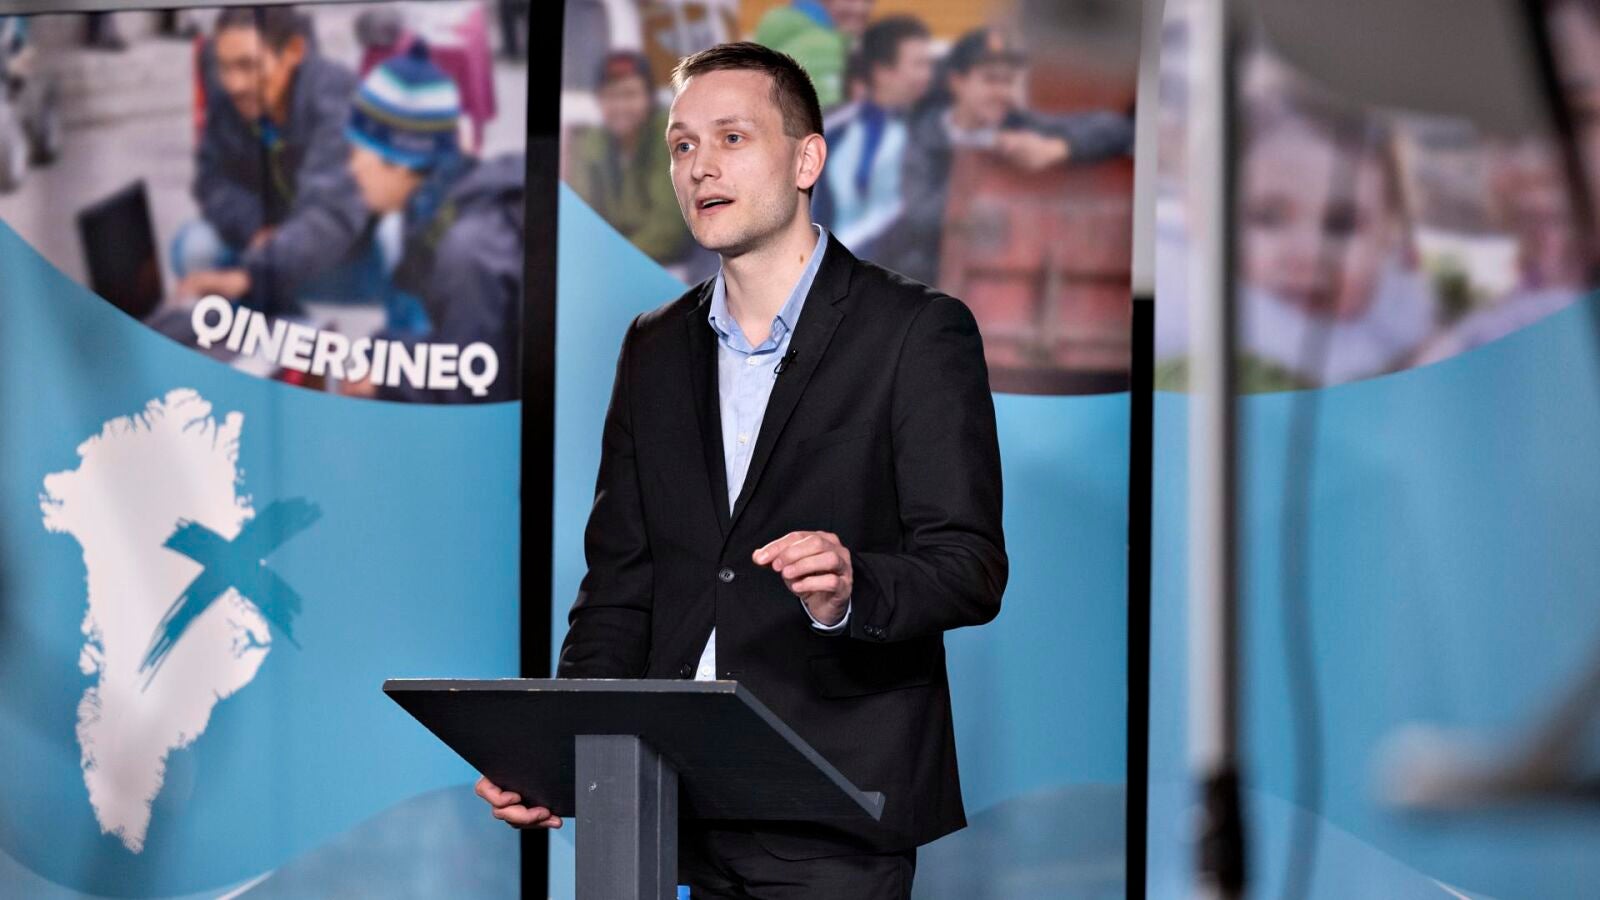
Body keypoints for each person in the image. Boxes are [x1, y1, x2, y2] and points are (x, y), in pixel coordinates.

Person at [475, 41, 1006, 896]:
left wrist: (852, 588)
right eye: (682, 145)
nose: (700, 167)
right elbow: (620, 585)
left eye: (731, 138)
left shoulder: (916, 331)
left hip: (834, 805)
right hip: (667, 803)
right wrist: (561, 755)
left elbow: (969, 566)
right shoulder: (653, 346)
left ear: (806, 160)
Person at [876, 28, 1135, 287]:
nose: (1002, 92)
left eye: (1009, 81)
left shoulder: (1021, 126)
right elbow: (919, 218)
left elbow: (1116, 128)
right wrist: (984, 162)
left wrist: (1057, 148)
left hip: (1009, 284)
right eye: (990, 80)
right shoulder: (920, 134)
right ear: (957, 82)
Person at [344, 42, 525, 403]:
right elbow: (471, 350)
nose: (351, 169)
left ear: (400, 161)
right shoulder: (442, 213)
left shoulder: (467, 252)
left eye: (357, 152)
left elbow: (476, 395)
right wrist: (387, 355)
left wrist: (388, 378)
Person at [173, 6, 371, 316]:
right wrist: (255, 226)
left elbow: (332, 212)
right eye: (224, 67)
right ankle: (277, 329)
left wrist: (253, 273)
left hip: (349, 250)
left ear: (293, 51)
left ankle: (411, 337)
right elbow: (211, 181)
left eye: (248, 65)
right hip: (271, 240)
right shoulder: (228, 93)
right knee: (194, 246)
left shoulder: (335, 94)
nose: (234, 84)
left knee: (402, 239)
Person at [811, 15, 932, 255]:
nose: (927, 75)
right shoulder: (832, 129)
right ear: (882, 71)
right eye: (919, 64)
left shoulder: (929, 131)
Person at [566, 51, 694, 267]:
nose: (620, 106)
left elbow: (669, 226)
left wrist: (615, 260)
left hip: (674, 261)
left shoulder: (668, 137)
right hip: (616, 260)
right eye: (610, 96)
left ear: (649, 98)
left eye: (630, 95)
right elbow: (581, 218)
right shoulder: (591, 143)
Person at [753, 0, 874, 109]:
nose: (860, 8)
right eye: (849, 1)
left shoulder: (783, 32)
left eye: (868, 1)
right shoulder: (825, 49)